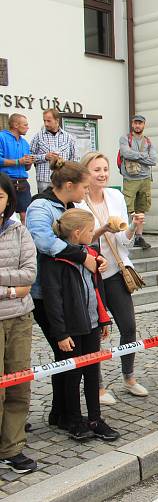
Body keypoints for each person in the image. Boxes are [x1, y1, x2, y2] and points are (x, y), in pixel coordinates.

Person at [26, 159, 104, 431]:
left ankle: (60, 413)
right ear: (69, 185)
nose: (86, 192)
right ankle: (67, 416)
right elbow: (45, 243)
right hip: (45, 294)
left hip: (72, 293)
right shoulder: (40, 206)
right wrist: (83, 256)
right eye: (83, 187)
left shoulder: (70, 207)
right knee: (65, 355)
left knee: (67, 359)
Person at [40, 209, 120, 442]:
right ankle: (74, 420)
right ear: (77, 233)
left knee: (93, 373)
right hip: (71, 329)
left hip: (92, 323)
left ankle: (95, 418)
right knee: (72, 375)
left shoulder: (91, 254)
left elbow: (98, 289)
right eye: (89, 229)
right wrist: (61, 334)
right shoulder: (53, 261)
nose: (93, 233)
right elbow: (53, 301)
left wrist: (104, 318)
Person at [77, 152, 149, 403]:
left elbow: (121, 241)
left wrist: (133, 228)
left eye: (106, 169)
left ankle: (129, 376)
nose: (103, 174)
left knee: (128, 326)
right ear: (86, 172)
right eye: (97, 169)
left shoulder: (116, 196)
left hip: (116, 270)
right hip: (91, 274)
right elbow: (80, 240)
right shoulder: (78, 202)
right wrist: (103, 228)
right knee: (95, 332)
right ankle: (97, 387)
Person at [0, 173, 38, 473]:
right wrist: (12, 288)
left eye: (0, 197)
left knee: (18, 384)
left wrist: (11, 289)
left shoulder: (18, 230)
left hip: (20, 318)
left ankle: (12, 446)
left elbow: (29, 274)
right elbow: (19, 280)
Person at [118, 114, 156, 249]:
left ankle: (139, 237)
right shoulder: (125, 139)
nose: (137, 126)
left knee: (142, 208)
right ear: (132, 124)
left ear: (144, 125)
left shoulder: (148, 141)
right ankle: (127, 234)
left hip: (145, 178)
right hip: (130, 178)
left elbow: (153, 160)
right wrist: (143, 156)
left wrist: (136, 157)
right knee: (128, 206)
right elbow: (126, 153)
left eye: (140, 123)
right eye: (135, 123)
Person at [29, 109, 78, 194]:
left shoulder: (68, 137)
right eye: (44, 121)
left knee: (62, 204)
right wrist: (44, 157)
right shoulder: (38, 136)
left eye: (49, 121)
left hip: (63, 179)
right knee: (44, 204)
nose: (46, 124)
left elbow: (74, 159)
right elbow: (29, 157)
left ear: (57, 120)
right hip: (44, 180)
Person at [0, 114, 34, 223]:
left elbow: (26, 168)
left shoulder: (24, 142)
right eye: (25, 125)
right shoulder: (1, 137)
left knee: (26, 214)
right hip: (7, 181)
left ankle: (23, 238)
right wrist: (18, 161)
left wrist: (29, 163)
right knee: (6, 213)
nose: (28, 127)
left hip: (23, 182)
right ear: (15, 125)